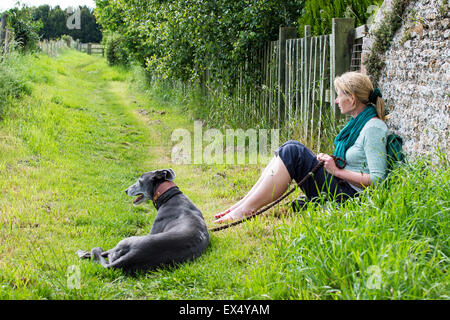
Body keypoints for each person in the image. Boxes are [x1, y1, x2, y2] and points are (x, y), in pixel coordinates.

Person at [214, 71, 388, 223]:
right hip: (342, 186)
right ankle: (243, 205)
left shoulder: (373, 128)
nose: (336, 100)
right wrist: (330, 162)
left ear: (352, 98)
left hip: (351, 196)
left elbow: (377, 180)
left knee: (294, 151)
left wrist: (337, 171)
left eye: (339, 95)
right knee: (290, 146)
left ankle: (246, 210)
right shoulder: (357, 125)